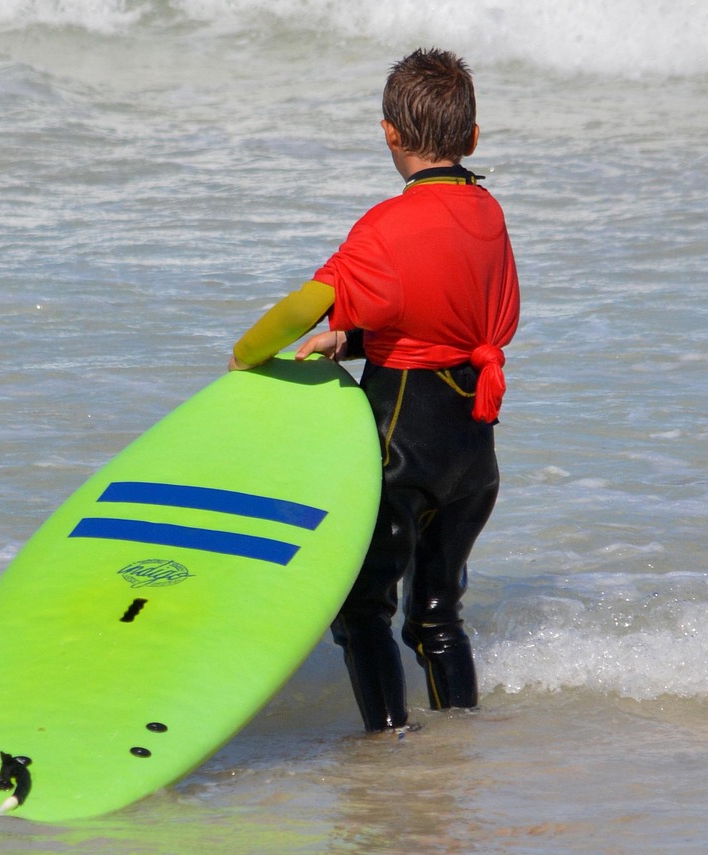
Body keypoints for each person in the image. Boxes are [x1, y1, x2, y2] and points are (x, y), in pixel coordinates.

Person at [228, 47, 520, 732]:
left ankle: (388, 747)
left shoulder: (383, 228)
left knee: (364, 608)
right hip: (473, 451)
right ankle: (459, 742)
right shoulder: (489, 213)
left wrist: (246, 355)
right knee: (437, 612)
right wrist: (351, 341)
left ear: (389, 133)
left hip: (400, 449)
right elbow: (449, 319)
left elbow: (305, 305)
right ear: (471, 139)